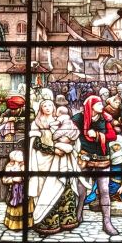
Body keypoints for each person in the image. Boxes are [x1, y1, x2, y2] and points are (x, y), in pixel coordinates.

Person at [29, 99, 80, 235]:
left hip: (61, 160)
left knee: (63, 188)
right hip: (43, 160)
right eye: (44, 105)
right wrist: (53, 150)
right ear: (40, 108)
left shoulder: (60, 120)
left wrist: (68, 142)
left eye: (50, 105)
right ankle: (49, 223)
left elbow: (72, 134)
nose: (48, 107)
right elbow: (35, 143)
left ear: (54, 107)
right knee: (46, 190)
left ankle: (66, 221)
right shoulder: (36, 123)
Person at [72, 95, 119, 236]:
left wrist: (98, 135)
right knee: (81, 190)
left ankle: (107, 222)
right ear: (90, 106)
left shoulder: (105, 118)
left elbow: (113, 135)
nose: (101, 105)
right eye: (98, 104)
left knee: (104, 191)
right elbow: (69, 132)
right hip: (84, 158)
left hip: (102, 158)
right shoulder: (78, 119)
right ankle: (77, 215)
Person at [3, 150, 30, 231]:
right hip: (14, 191)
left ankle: (26, 224)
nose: (22, 156)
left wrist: (24, 177)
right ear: (14, 157)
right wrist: (13, 180)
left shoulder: (25, 166)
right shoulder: (9, 166)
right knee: (15, 207)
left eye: (22, 154)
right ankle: (14, 225)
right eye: (20, 155)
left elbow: (29, 177)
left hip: (24, 190)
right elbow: (4, 179)